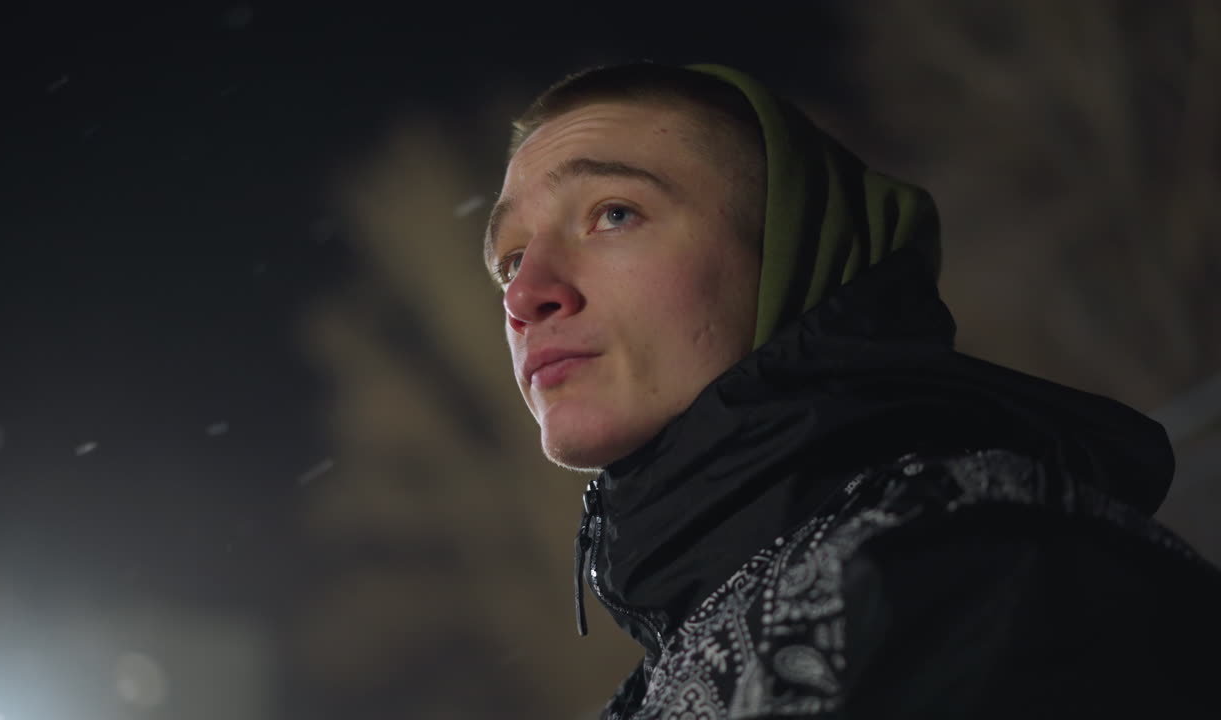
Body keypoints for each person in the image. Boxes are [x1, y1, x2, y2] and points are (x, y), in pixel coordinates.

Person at [482, 61, 1221, 719]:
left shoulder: (980, 572)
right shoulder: (663, 679)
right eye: (511, 260)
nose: (527, 295)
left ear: (791, 257)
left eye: (613, 214)